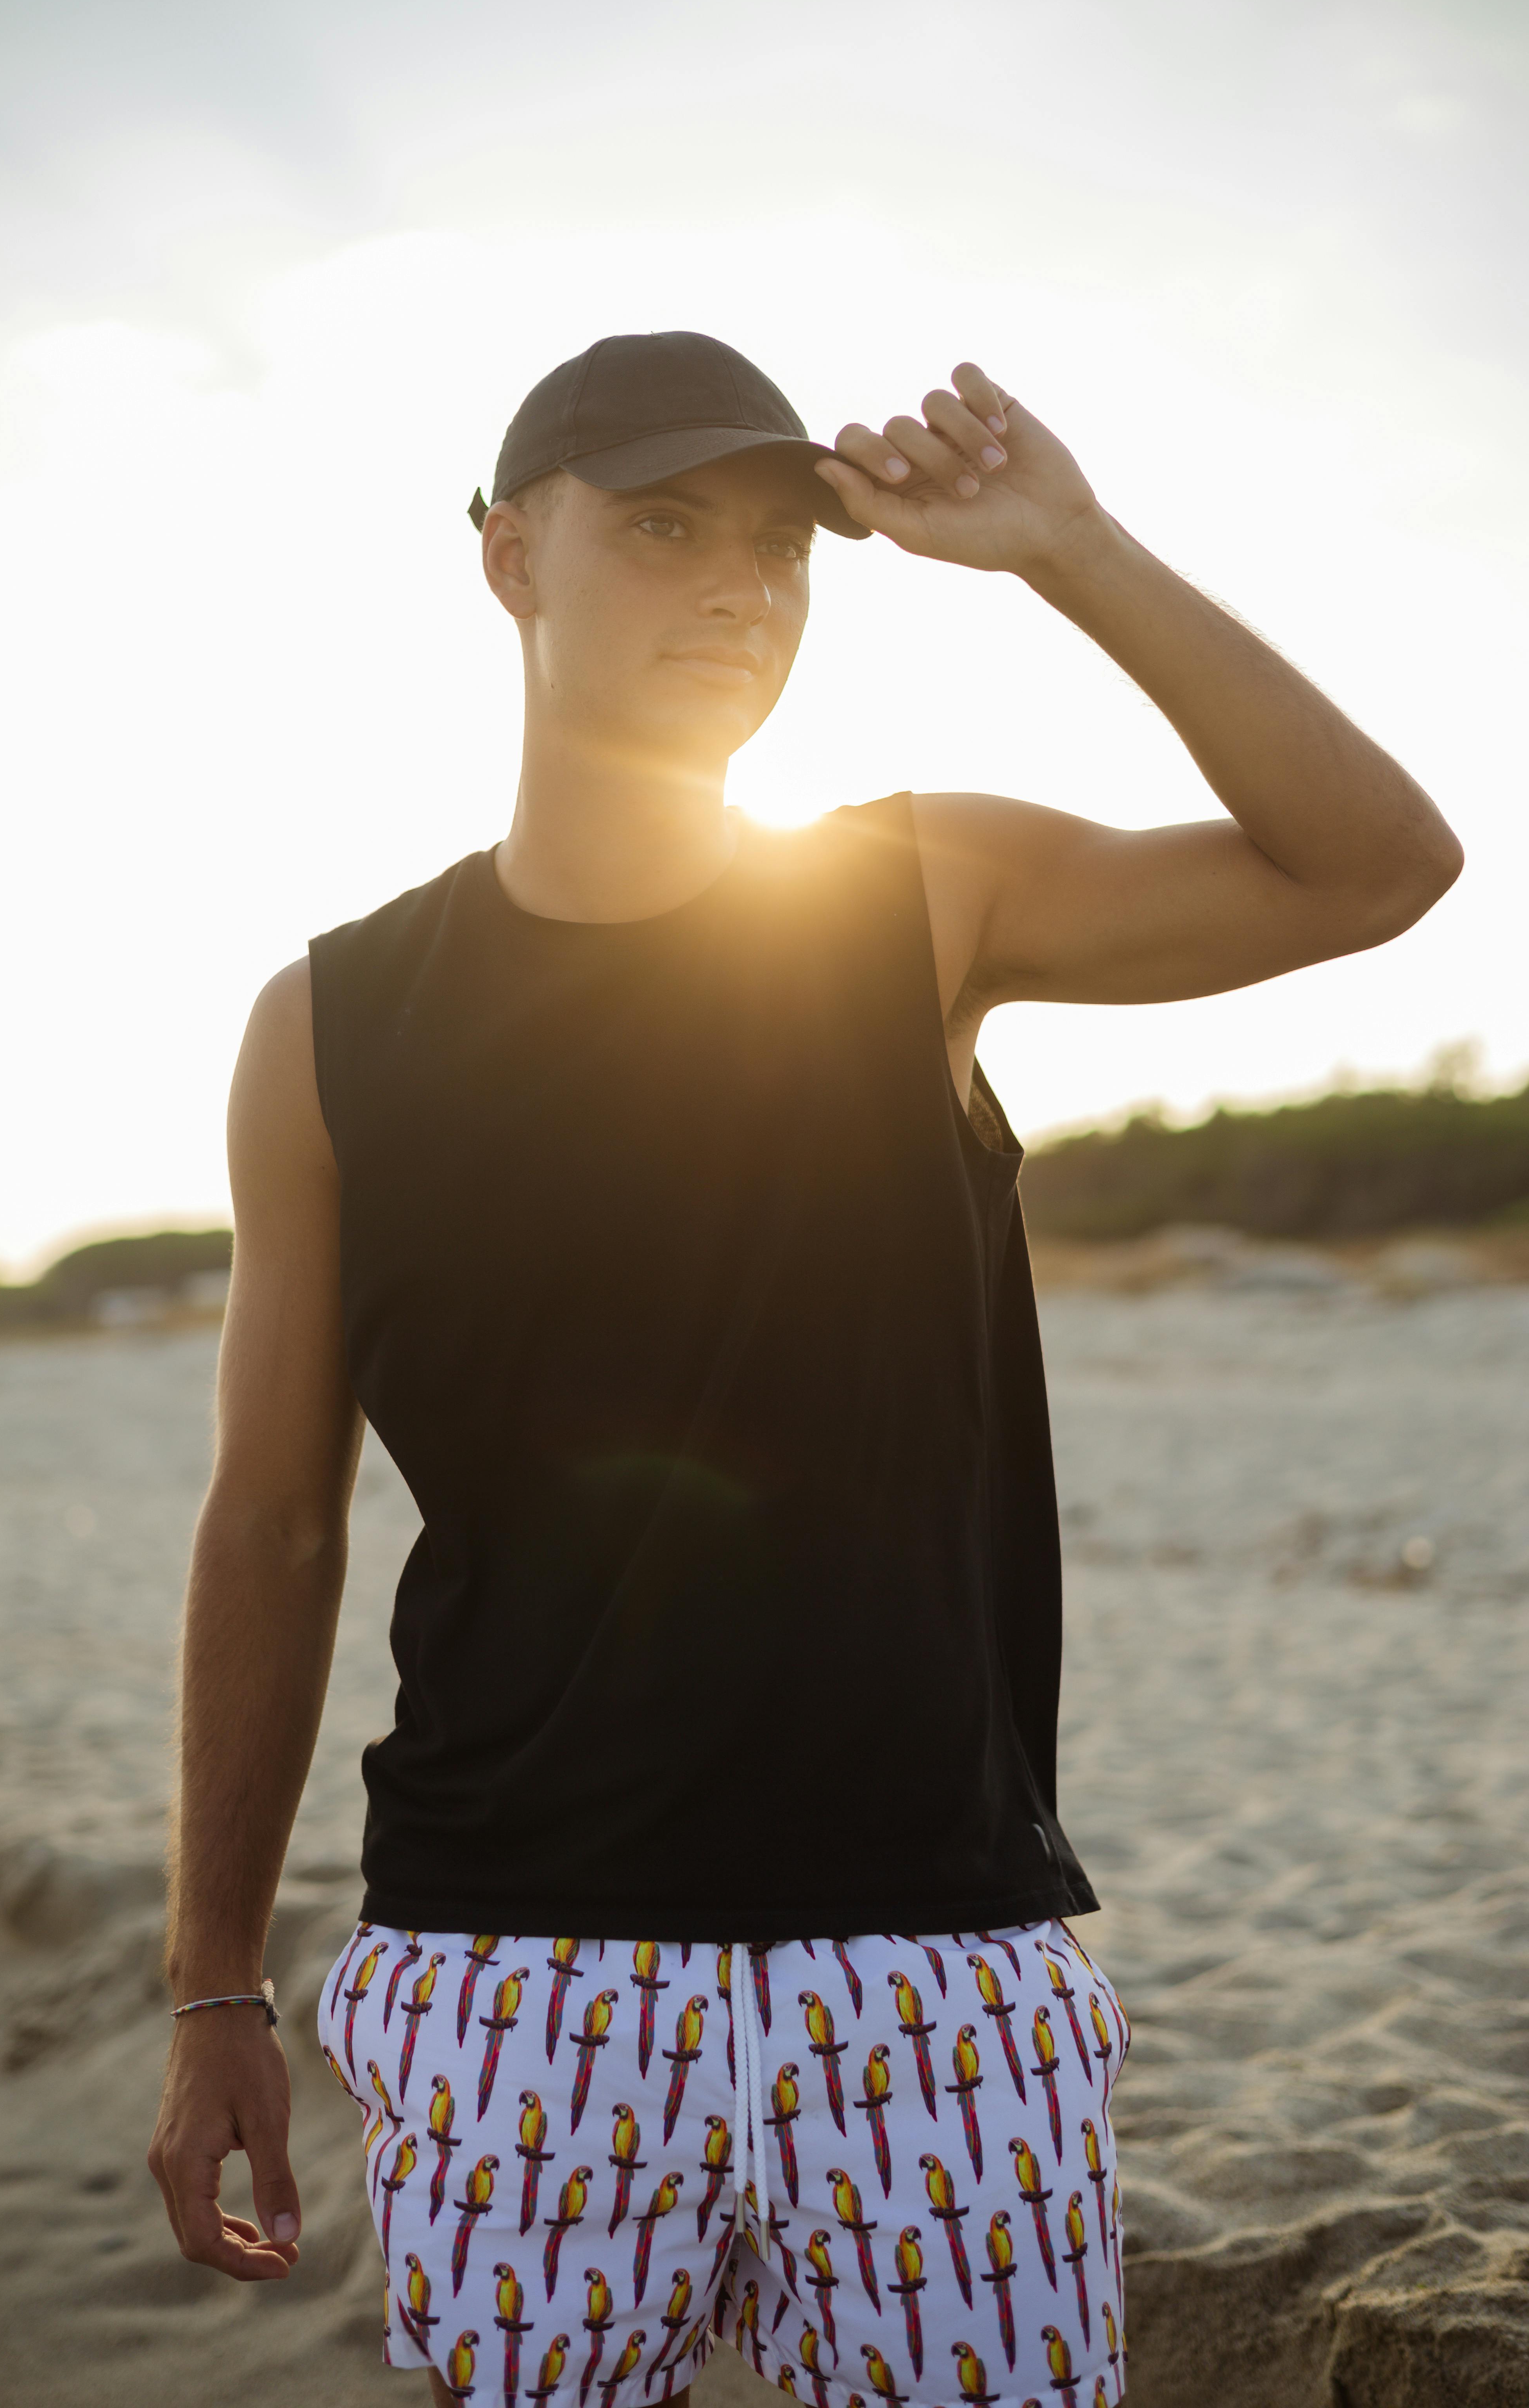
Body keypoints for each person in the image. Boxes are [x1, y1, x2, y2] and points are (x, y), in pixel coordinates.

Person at [147, 331, 1461, 2404]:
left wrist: (1071, 546)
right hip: (516, 1971)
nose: (741, 587)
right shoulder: (326, 1026)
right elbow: (275, 1517)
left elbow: (1376, 866)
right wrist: (213, 1979)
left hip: (930, 1971)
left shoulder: (916, 897)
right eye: (665, 529)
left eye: (780, 545)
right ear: (511, 557)